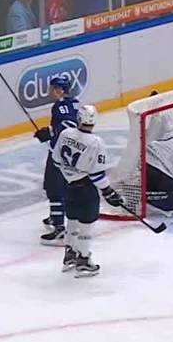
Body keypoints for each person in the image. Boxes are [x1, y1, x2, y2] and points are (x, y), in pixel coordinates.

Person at [52, 105, 122, 277]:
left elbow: (56, 161)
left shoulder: (65, 134)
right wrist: (108, 191)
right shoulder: (96, 142)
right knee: (86, 226)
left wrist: (70, 173)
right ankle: (83, 260)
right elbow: (96, 174)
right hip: (85, 189)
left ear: (78, 118)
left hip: (67, 186)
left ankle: (70, 256)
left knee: (72, 221)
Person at [34, 75, 78, 244]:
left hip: (59, 154)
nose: (50, 91)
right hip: (71, 153)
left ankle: (59, 227)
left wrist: (49, 132)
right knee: (60, 185)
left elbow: (69, 125)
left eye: (52, 88)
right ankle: (55, 216)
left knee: (54, 188)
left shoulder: (61, 105)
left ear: (59, 89)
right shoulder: (76, 103)